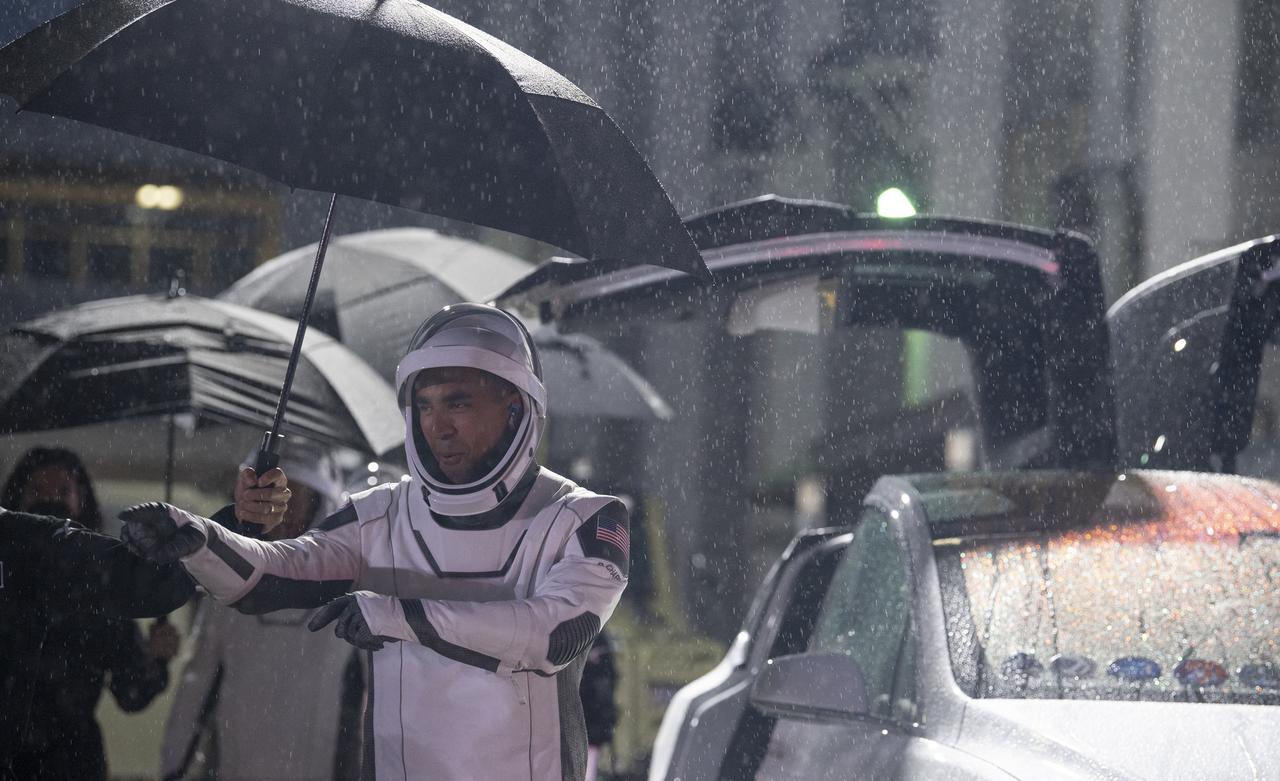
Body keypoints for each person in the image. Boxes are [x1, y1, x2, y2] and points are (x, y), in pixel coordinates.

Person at [121, 303, 631, 781]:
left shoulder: (584, 517)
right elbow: (273, 575)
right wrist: (200, 537)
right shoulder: (380, 513)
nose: (437, 426)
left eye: (459, 403)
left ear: (516, 408)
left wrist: (398, 616)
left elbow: (555, 635)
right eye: (424, 405)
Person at [159, 449, 363, 781]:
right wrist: (174, 764)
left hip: (321, 762)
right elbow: (198, 680)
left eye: (298, 492)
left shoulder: (349, 583)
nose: (289, 503)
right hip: (238, 761)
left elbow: (377, 693)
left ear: (319, 500)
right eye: (279, 492)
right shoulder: (228, 580)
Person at [0, 447, 183, 781]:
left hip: (72, 760)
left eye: (61, 491)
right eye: (38, 491)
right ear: (19, 498)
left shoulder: (98, 578)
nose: (49, 500)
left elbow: (131, 692)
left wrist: (155, 658)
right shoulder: (4, 573)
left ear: (80, 498)